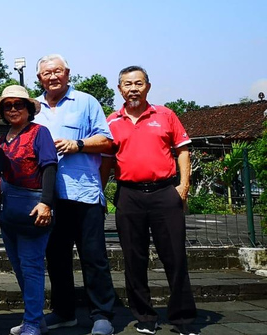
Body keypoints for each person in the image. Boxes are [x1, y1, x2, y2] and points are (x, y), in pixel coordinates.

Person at [105, 66, 197, 335]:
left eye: (138, 83)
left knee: (175, 256)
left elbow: (182, 150)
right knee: (133, 258)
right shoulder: (112, 121)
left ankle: (182, 318)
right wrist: (100, 193)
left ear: (148, 86)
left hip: (164, 193)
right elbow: (106, 161)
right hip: (129, 195)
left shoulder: (166, 115)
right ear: (119, 89)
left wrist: (183, 186)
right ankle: (144, 316)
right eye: (127, 84)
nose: (133, 88)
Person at [34, 54, 116, 335]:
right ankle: (63, 311)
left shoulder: (86, 101)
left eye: (58, 71)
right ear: (39, 79)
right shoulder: (35, 108)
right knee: (56, 257)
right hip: (50, 196)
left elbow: (107, 141)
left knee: (93, 256)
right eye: (47, 73)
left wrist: (77, 144)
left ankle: (102, 313)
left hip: (84, 193)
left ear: (67, 73)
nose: (53, 76)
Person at [0, 85, 58, 335]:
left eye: (19, 104)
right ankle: (35, 317)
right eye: (7, 105)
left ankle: (32, 322)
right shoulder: (2, 137)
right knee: (18, 266)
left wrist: (47, 202)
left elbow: (50, 167)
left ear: (29, 109)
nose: (13, 109)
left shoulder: (39, 133)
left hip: (34, 207)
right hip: (8, 210)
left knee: (31, 267)